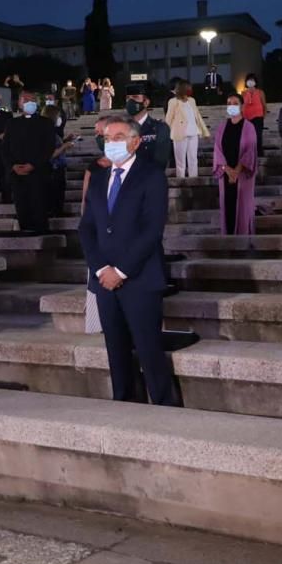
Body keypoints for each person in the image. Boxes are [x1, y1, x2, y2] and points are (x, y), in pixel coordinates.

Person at [78, 116, 179, 406]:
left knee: (148, 349)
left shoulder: (151, 176)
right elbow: (87, 227)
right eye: (108, 138)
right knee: (116, 351)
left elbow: (152, 229)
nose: (112, 143)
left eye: (119, 137)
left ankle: (164, 407)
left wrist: (121, 270)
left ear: (135, 142)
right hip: (104, 282)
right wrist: (100, 269)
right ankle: (124, 405)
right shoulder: (98, 178)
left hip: (140, 279)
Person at [2, 91, 53, 233]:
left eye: (32, 100)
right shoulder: (12, 123)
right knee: (21, 208)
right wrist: (13, 166)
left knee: (39, 207)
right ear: (19, 103)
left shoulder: (46, 123)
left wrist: (33, 165)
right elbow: (5, 148)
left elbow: (48, 148)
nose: (28, 102)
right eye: (25, 100)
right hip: (17, 175)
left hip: (38, 174)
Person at [213, 99, 258, 235]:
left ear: (241, 106)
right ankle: (227, 237)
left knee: (243, 207)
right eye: (228, 103)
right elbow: (217, 150)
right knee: (227, 206)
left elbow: (250, 150)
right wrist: (227, 170)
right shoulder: (221, 127)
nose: (231, 106)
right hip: (225, 173)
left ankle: (244, 237)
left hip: (243, 174)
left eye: (235, 103)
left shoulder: (249, 127)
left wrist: (236, 171)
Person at [166, 81, 209, 178]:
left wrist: (205, 131)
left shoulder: (192, 100)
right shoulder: (173, 102)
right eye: (188, 88)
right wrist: (165, 132)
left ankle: (193, 178)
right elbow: (169, 118)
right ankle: (180, 180)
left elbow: (198, 116)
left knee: (193, 158)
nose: (190, 90)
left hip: (193, 133)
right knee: (180, 160)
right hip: (180, 134)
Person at [43, 104, 77, 218]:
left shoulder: (52, 131)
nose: (60, 119)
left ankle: (58, 211)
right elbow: (49, 153)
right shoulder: (46, 131)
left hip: (59, 167)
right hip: (54, 168)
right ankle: (55, 214)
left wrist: (66, 140)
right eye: (58, 116)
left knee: (59, 193)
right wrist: (64, 146)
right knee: (55, 194)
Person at [124, 87, 172, 168]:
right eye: (128, 98)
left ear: (146, 102)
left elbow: (161, 161)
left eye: (135, 97)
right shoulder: (120, 129)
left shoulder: (159, 128)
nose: (130, 101)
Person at [241, 73, 267, 142]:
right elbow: (241, 105)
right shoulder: (243, 93)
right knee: (248, 139)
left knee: (257, 138)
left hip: (258, 118)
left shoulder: (260, 92)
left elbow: (264, 105)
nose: (250, 81)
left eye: (252, 79)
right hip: (246, 118)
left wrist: (263, 116)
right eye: (249, 80)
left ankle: (258, 152)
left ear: (255, 81)